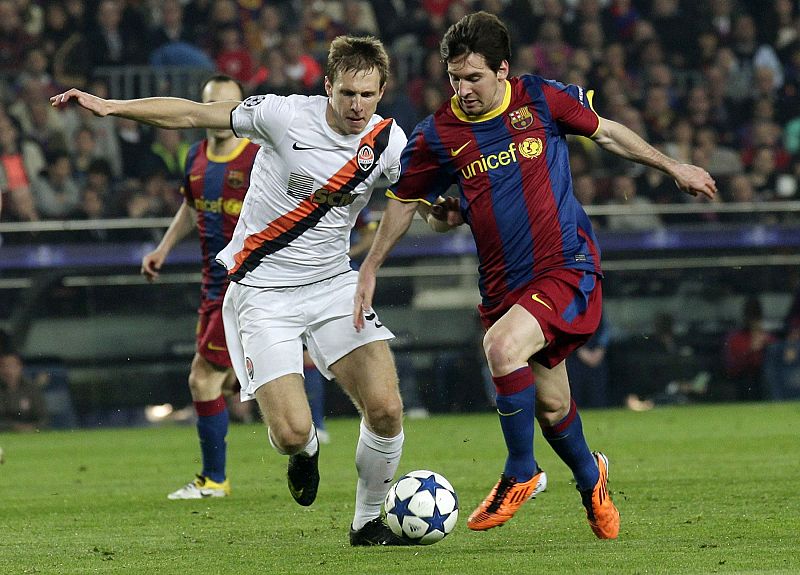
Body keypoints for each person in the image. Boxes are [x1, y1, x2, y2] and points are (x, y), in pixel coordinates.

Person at [353, 11, 716, 540]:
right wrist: (372, 265)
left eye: (474, 77)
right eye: (454, 78)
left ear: (502, 70)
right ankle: (592, 479)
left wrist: (674, 166)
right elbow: (407, 201)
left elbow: (608, 133)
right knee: (552, 405)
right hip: (504, 287)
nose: (463, 89)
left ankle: (521, 470)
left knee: (501, 349)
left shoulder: (541, 98)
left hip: (566, 267)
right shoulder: (440, 131)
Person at [52, 35, 409, 546]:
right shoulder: (283, 117)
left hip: (333, 285)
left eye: (368, 96)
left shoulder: (389, 141)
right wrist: (111, 107)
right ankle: (305, 452)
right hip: (262, 292)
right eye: (347, 93)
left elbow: (408, 195)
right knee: (288, 434)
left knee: (387, 407)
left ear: (381, 92)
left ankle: (368, 522)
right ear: (328, 85)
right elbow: (193, 115)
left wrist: (421, 228)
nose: (357, 106)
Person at [140, 75, 260, 500]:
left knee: (202, 379)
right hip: (210, 287)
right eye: (213, 104)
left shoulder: (260, 157)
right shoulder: (195, 157)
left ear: (243, 107)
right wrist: (163, 248)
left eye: (229, 104)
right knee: (226, 383)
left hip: (244, 287)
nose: (221, 112)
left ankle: (214, 481)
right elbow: (191, 208)